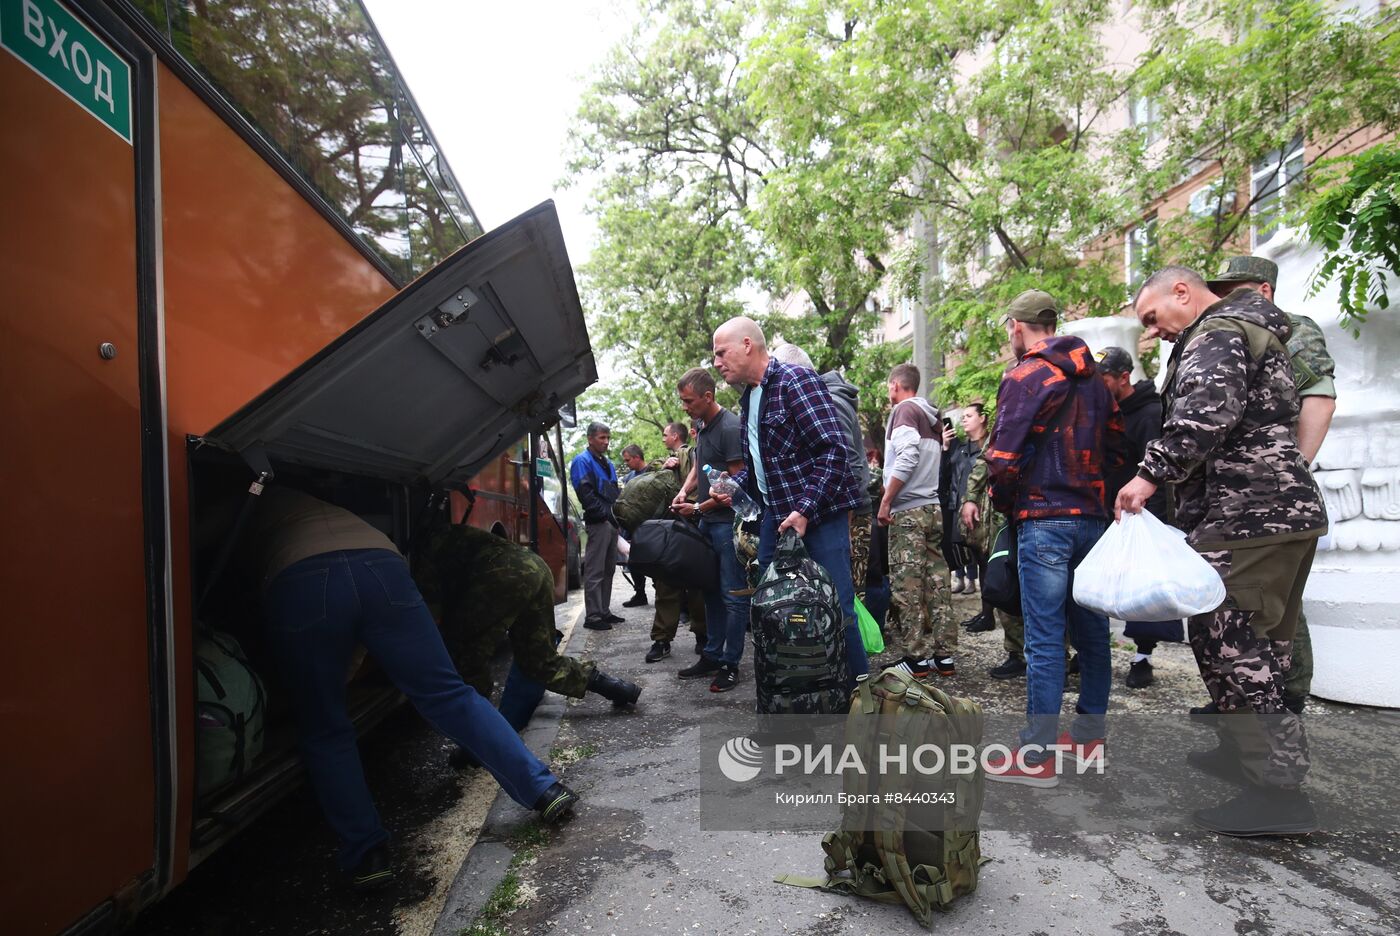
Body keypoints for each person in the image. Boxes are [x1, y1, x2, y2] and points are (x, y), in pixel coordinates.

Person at [250, 488, 577, 890]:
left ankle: (368, 854)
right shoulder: (321, 503)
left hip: (299, 578)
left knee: (325, 727)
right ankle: (544, 789)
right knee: (449, 694)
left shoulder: (240, 508)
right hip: (381, 563)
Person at [1118, 266, 1326, 835]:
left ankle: (1277, 795)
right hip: (1274, 513)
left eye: (1153, 317)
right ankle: (1253, 761)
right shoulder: (1251, 328)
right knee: (1266, 648)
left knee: (1231, 642)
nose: (1154, 331)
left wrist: (1147, 477)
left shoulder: (1217, 333)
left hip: (1247, 514)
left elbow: (1203, 417)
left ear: (1181, 292)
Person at [983, 289, 1125, 789]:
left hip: (1043, 517)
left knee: (1044, 638)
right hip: (1092, 517)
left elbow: (1002, 457)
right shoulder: (1097, 383)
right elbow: (1115, 446)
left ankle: (1037, 752)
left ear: (1018, 327)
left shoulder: (1026, 375)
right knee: (1090, 633)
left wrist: (1006, 507)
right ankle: (1088, 739)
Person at [1205, 255, 1337, 715]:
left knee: (1271, 610)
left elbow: (1319, 396)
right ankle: (1239, 711)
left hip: (1270, 494)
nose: (1220, 300)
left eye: (1231, 290)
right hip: (1235, 497)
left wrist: (1288, 468)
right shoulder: (1227, 328)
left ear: (1262, 290)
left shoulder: (1289, 328)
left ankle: (1288, 695)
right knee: (1244, 609)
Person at [710, 316, 868, 686]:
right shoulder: (749, 398)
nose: (717, 362)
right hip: (774, 521)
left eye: (721, 352)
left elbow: (833, 451)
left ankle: (860, 701)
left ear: (747, 345)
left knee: (837, 608)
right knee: (776, 612)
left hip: (819, 518)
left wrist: (805, 509)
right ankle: (801, 696)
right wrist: (733, 487)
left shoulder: (796, 381)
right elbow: (762, 465)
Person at [414, 514, 642, 753]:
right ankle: (618, 688)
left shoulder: (424, 547)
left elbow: (429, 610)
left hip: (504, 578)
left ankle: (478, 741)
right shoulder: (449, 531)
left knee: (466, 661)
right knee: (540, 660)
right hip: (535, 568)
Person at [1097, 346, 1180, 690]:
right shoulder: (1107, 412)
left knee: (1143, 589)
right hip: (1107, 510)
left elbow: (1155, 474)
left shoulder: (1148, 414)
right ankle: (1091, 651)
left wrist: (1153, 519)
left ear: (1123, 378)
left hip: (1140, 512)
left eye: (1104, 379)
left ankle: (1142, 657)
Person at [771, 342, 874, 597]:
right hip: (845, 512)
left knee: (845, 601)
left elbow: (845, 465)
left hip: (850, 513)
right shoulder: (827, 397)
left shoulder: (827, 402)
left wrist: (845, 529)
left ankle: (867, 638)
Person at [671, 367, 750, 691]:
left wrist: (700, 507)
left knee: (733, 596)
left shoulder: (730, 427)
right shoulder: (702, 428)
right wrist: (684, 490)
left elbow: (737, 486)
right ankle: (713, 654)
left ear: (708, 397)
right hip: (707, 522)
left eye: (689, 401)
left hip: (727, 525)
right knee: (710, 592)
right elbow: (701, 466)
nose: (685, 407)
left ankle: (731, 663)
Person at [880, 363, 957, 677]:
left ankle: (916, 659)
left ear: (897, 384)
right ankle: (943, 656)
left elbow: (908, 453)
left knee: (907, 586)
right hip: (932, 508)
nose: (889, 392)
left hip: (908, 512)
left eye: (889, 386)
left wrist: (886, 500)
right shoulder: (933, 417)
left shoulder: (904, 412)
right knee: (937, 582)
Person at [960, 454, 1027, 678]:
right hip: (1009, 515)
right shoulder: (1010, 420)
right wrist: (970, 498)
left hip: (1049, 513)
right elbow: (988, 459)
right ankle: (1017, 654)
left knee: (1050, 593)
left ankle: (1058, 662)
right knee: (1006, 583)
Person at [647, 421, 707, 661]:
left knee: (693, 585)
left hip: (691, 526)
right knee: (674, 584)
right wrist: (664, 464)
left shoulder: (694, 453)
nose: (663, 439)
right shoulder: (680, 455)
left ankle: (698, 636)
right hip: (676, 528)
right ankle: (667, 639)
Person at [570, 422, 623, 631]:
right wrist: (601, 516)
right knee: (595, 570)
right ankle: (592, 616)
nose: (606, 442)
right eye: (602, 438)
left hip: (611, 521)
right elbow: (584, 491)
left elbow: (614, 492)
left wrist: (617, 518)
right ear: (590, 439)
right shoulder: (582, 461)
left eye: (608, 438)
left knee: (609, 569)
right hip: (598, 522)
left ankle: (604, 611)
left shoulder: (607, 462)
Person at [949, 405, 987, 598]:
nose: (964, 419)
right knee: (965, 550)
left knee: (985, 559)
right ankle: (984, 611)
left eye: (969, 416)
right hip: (960, 507)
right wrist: (945, 448)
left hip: (984, 510)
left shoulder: (990, 445)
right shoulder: (960, 448)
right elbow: (949, 476)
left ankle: (989, 610)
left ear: (982, 418)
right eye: (962, 416)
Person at [618, 444, 650, 608]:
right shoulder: (628, 477)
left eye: (628, 460)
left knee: (655, 561)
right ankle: (640, 593)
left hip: (649, 525)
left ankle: (665, 596)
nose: (627, 463)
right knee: (634, 561)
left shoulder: (652, 472)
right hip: (631, 527)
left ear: (637, 457)